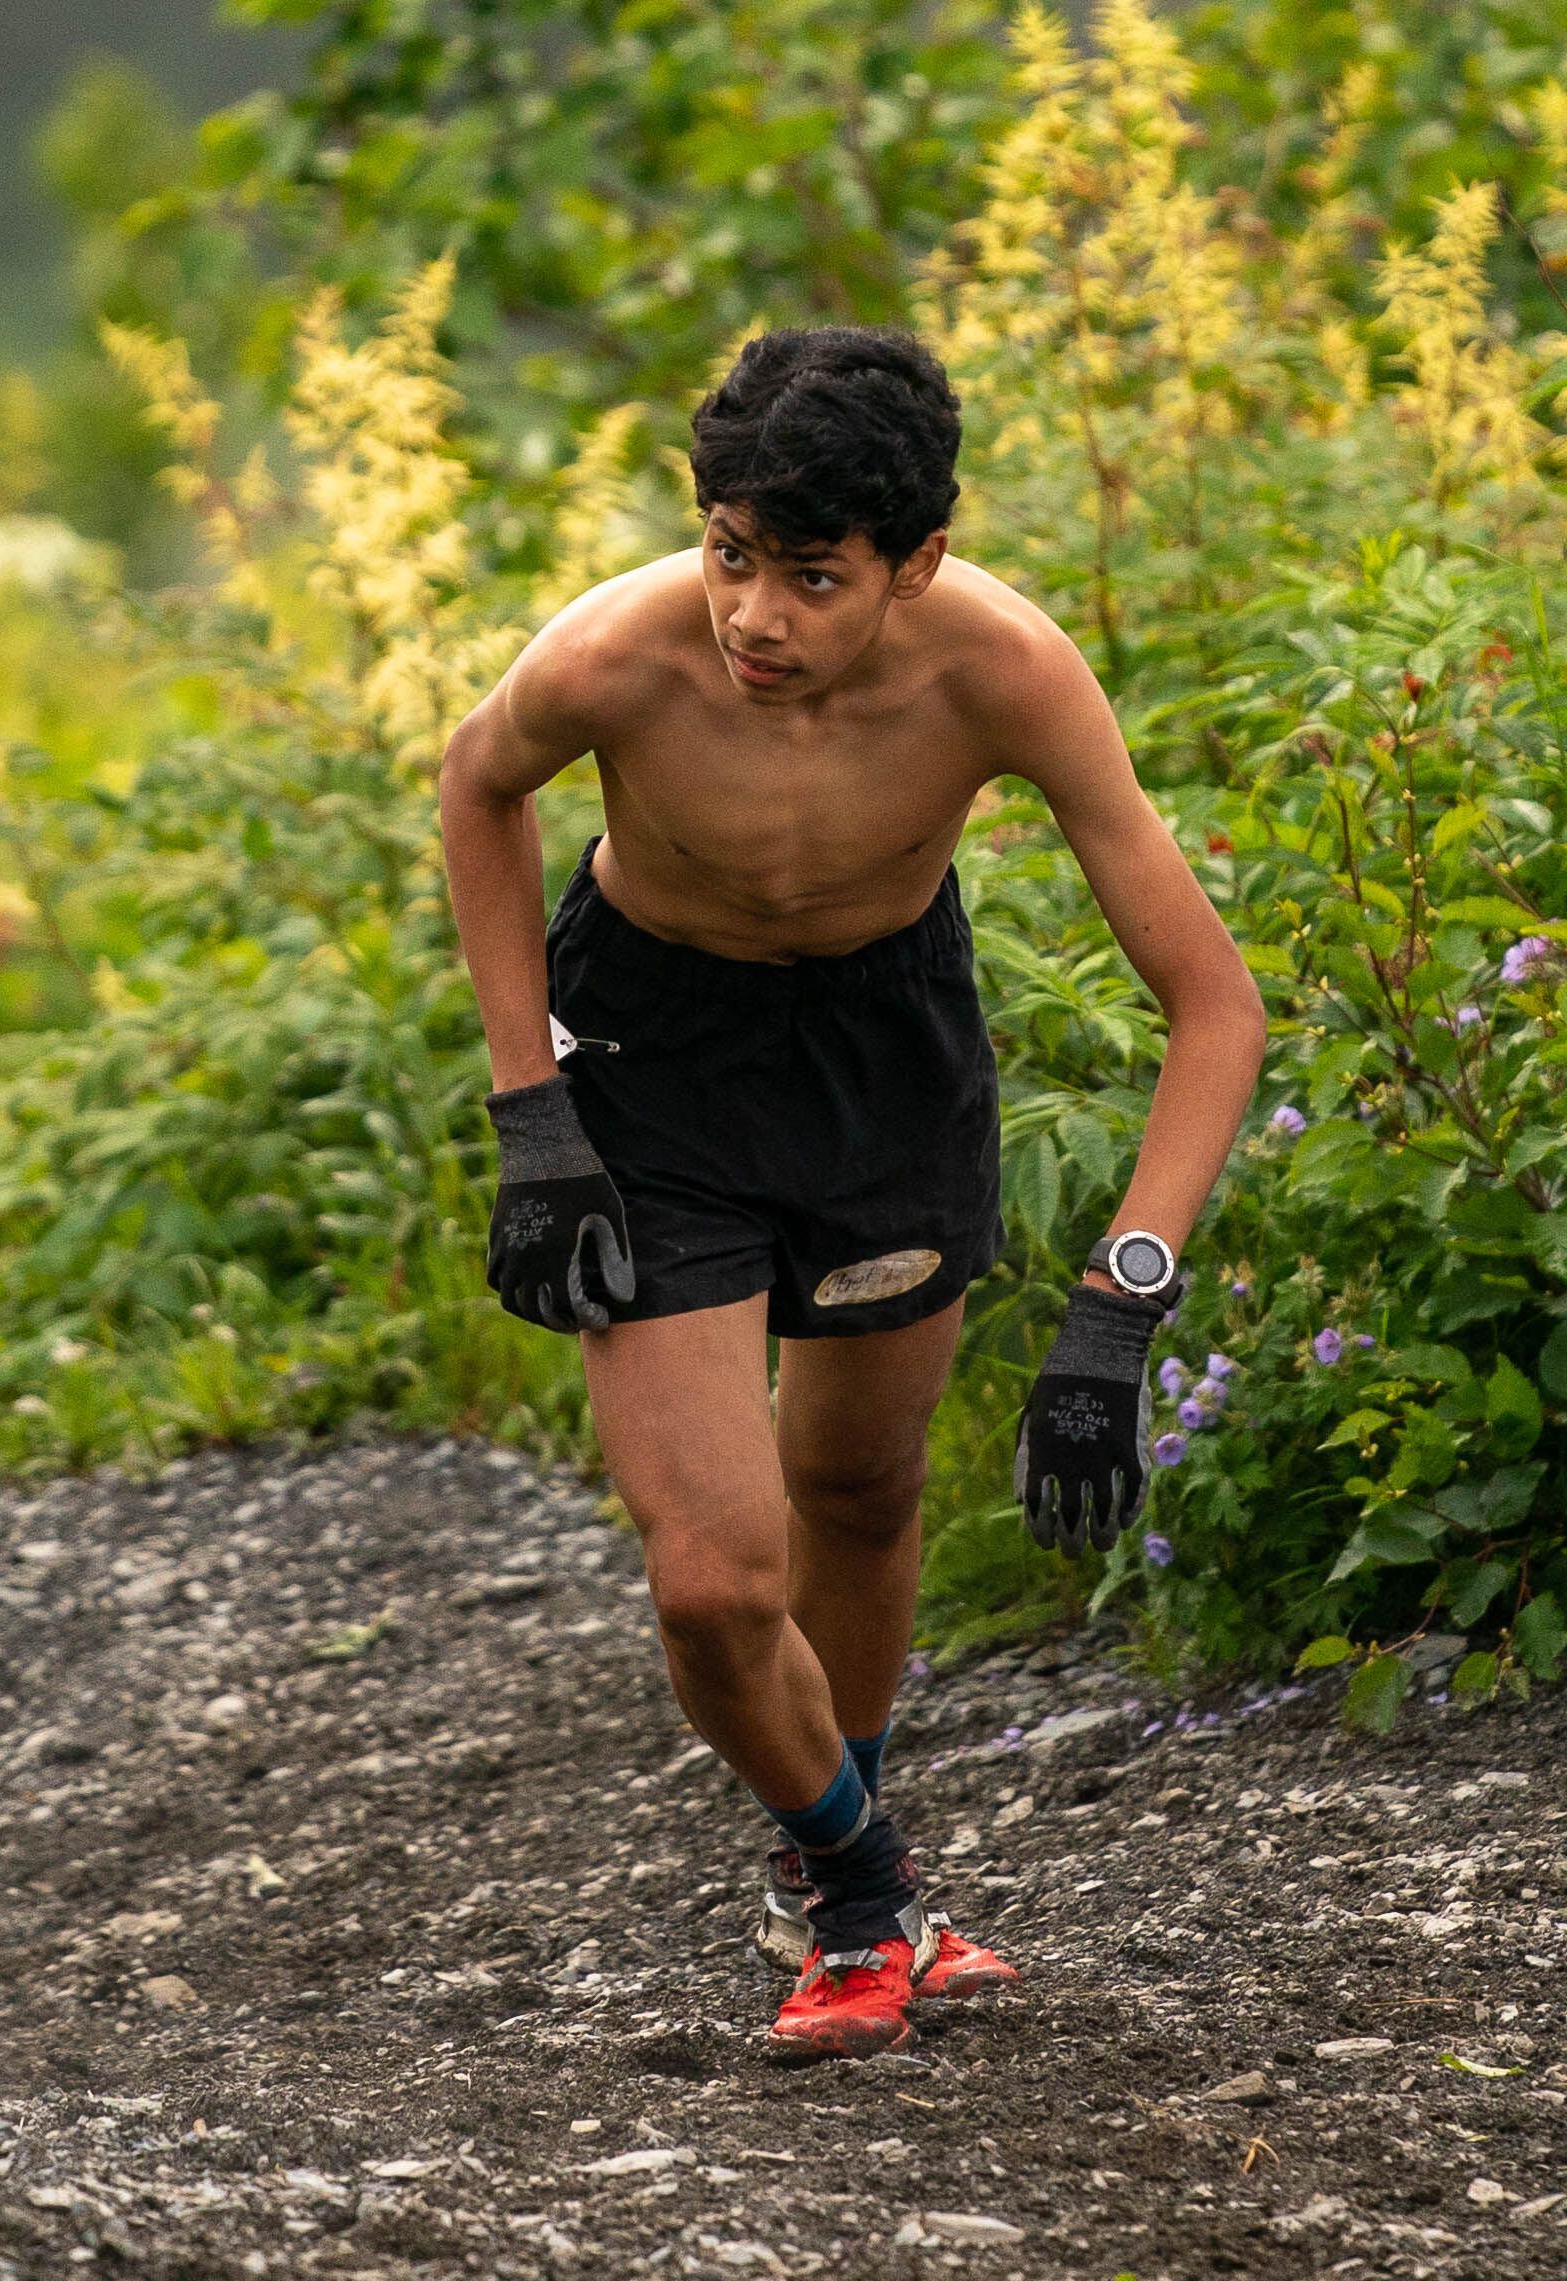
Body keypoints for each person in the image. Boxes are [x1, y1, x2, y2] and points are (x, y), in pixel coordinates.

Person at [435, 326, 1265, 2057]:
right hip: (651, 1067)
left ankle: (825, 1881)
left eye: (812, 579)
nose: (754, 618)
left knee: (862, 1491)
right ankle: (865, 1885)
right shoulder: (616, 655)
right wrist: (531, 1109)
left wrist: (1117, 1309)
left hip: (884, 1065)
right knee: (715, 1582)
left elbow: (1213, 1008)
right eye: (732, 556)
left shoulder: (1004, 673)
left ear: (916, 567)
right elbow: (475, 782)